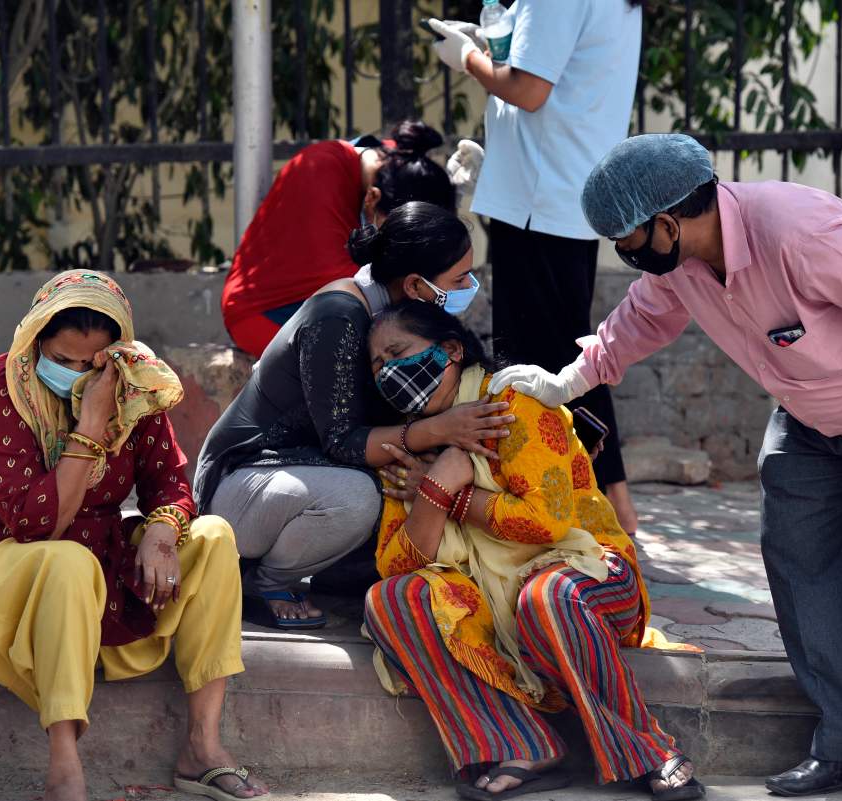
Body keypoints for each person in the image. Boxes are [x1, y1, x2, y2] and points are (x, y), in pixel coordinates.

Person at [492, 134, 842, 801]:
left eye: (628, 238)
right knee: (798, 554)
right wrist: (569, 381)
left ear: (669, 221)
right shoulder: (682, 264)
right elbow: (640, 318)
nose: (625, 252)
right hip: (811, 412)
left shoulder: (797, 229)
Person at [0, 270, 267, 801]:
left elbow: (171, 481)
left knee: (213, 536)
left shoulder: (131, 388)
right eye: (62, 360)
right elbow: (37, 527)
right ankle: (64, 770)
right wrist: (91, 423)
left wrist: (162, 533)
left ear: (116, 352)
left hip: (86, 576)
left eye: (92, 363)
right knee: (65, 558)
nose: (78, 374)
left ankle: (203, 748)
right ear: (35, 342)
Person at [362, 300, 705, 801]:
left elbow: (545, 522)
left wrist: (454, 495)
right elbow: (395, 563)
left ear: (451, 350)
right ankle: (522, 742)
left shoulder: (512, 404)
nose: (390, 372)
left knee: (547, 597)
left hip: (590, 577)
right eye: (377, 366)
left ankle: (649, 748)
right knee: (393, 599)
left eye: (399, 352)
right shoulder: (410, 441)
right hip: (491, 602)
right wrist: (435, 487)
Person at [195, 201, 510, 630]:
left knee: (408, 477)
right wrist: (436, 430)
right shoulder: (339, 316)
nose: (470, 285)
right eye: (459, 279)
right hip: (244, 487)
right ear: (416, 285)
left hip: (302, 480)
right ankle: (263, 583)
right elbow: (343, 442)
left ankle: (336, 575)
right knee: (362, 494)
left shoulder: (400, 317)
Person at [427, 1, 645, 536]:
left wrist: (470, 58)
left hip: (539, 200)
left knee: (541, 364)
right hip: (561, 194)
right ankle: (613, 508)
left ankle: (586, 513)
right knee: (568, 357)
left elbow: (529, 90)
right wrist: (489, 39)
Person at [221, 119, 458, 357]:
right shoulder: (319, 168)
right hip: (262, 313)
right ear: (372, 199)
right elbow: (352, 285)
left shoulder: (396, 161)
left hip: (326, 302)